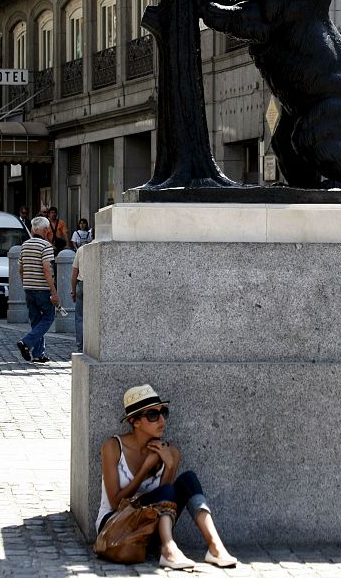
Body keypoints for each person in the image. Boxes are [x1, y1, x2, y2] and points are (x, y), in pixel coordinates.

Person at [96, 384, 237, 569]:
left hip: (149, 528)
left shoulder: (170, 452)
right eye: (153, 415)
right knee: (168, 490)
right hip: (117, 526)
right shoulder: (113, 447)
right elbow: (115, 503)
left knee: (188, 479)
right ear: (134, 421)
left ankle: (215, 546)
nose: (161, 419)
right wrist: (144, 470)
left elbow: (166, 501)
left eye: (163, 412)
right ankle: (168, 549)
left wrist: (169, 465)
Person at [16, 216, 59, 364]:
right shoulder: (46, 246)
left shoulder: (25, 245)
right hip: (42, 289)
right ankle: (26, 342)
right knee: (48, 317)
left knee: (36, 321)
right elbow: (47, 269)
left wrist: (25, 284)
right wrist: (54, 292)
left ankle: (38, 354)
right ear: (46, 229)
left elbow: (20, 269)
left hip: (29, 289)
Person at [71, 240, 86, 352]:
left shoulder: (81, 250)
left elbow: (75, 273)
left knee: (80, 317)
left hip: (82, 283)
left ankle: (80, 346)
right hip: (95, 283)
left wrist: (73, 291)